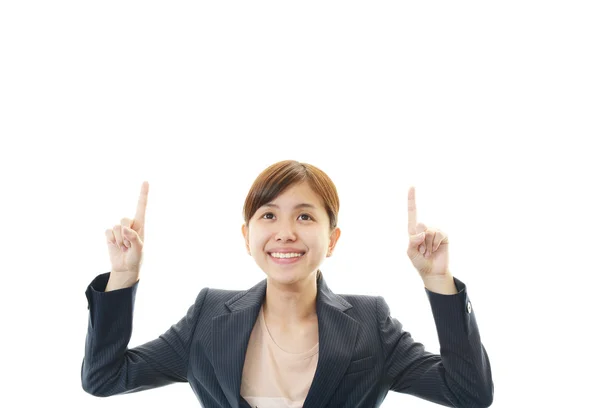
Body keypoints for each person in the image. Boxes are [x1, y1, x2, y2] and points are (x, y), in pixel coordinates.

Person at [81, 160, 494, 408]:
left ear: (332, 240)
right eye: (268, 215)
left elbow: (469, 393)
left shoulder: (370, 323)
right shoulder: (209, 317)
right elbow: (104, 378)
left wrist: (437, 280)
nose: (284, 233)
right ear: (247, 237)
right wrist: (123, 276)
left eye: (304, 217)